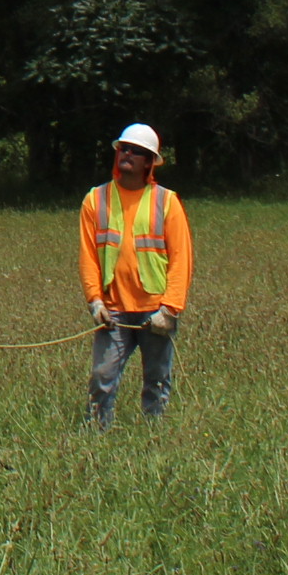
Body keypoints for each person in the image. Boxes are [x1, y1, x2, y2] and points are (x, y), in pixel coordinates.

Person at [79, 121, 193, 428]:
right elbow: (88, 256)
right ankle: (95, 436)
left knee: (156, 381)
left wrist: (170, 309)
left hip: (155, 311)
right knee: (102, 378)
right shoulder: (95, 200)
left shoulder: (167, 202)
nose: (126, 154)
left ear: (148, 162)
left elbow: (182, 259)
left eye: (136, 151)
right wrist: (95, 301)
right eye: (123, 149)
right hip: (112, 311)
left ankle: (153, 437)